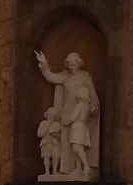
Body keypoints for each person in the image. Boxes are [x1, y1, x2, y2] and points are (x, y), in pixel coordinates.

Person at [34, 49, 100, 177]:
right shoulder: (65, 76)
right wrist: (44, 64)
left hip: (80, 109)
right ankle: (69, 168)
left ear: (79, 63)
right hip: (67, 109)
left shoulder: (86, 77)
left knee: (77, 141)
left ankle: (81, 167)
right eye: (69, 64)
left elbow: (92, 95)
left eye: (73, 64)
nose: (71, 67)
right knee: (65, 141)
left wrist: (93, 106)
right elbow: (50, 76)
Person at [36, 107, 61, 176]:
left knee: (55, 157)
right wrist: (48, 125)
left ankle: (55, 171)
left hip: (55, 142)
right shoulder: (43, 123)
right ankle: (47, 172)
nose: (51, 117)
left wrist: (55, 135)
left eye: (53, 116)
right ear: (47, 116)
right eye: (50, 116)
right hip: (45, 142)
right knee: (46, 156)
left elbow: (60, 135)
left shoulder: (57, 124)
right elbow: (39, 134)